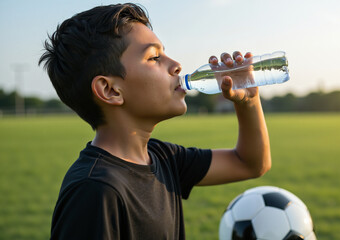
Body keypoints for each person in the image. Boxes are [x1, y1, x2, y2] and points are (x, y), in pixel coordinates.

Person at [39, 3, 271, 239]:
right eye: (154, 57)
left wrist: (248, 102)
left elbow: (250, 163)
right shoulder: (93, 191)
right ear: (110, 90)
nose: (177, 65)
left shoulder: (163, 158)